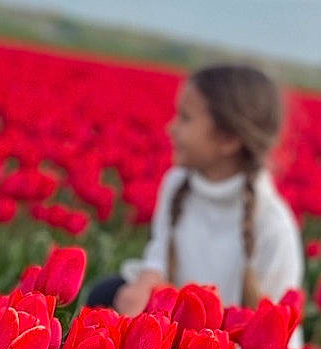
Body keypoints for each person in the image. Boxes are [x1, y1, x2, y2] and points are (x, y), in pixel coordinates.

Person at [88, 63, 304, 317]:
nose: (172, 128)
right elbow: (159, 255)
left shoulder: (272, 225)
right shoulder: (177, 183)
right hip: (177, 327)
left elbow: (275, 329)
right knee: (105, 294)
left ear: (228, 139)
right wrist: (145, 283)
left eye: (185, 118)